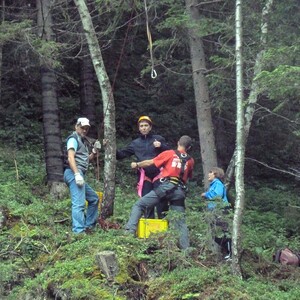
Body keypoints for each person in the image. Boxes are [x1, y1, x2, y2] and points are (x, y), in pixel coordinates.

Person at [124, 135, 194, 250]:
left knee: (140, 205)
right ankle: (185, 250)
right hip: (180, 191)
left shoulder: (170, 153)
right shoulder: (191, 160)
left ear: (178, 143)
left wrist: (137, 164)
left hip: (166, 187)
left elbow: (150, 163)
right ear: (189, 147)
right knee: (180, 222)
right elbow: (188, 176)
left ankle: (129, 234)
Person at [117, 116, 170, 219]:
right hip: (144, 176)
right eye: (141, 126)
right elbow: (121, 155)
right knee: (147, 202)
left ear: (150, 127)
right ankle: (149, 226)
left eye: (146, 125)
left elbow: (170, 153)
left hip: (159, 174)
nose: (144, 128)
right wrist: (110, 147)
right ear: (139, 128)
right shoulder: (135, 143)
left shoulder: (158, 139)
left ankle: (164, 225)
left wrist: (161, 146)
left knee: (162, 201)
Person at [63, 117, 102, 234]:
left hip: (78, 173)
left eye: (86, 128)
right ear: (76, 126)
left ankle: (88, 226)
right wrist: (76, 174)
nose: (84, 130)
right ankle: (78, 232)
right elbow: (71, 157)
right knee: (79, 204)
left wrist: (94, 152)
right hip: (72, 172)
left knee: (94, 199)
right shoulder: (73, 139)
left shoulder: (83, 141)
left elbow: (85, 160)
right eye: (82, 128)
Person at [201, 167, 231, 259]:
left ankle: (231, 254)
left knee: (223, 232)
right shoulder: (214, 184)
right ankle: (228, 253)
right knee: (216, 234)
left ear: (216, 174)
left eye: (211, 172)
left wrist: (205, 194)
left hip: (220, 210)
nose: (208, 174)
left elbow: (217, 195)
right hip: (215, 210)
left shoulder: (217, 183)